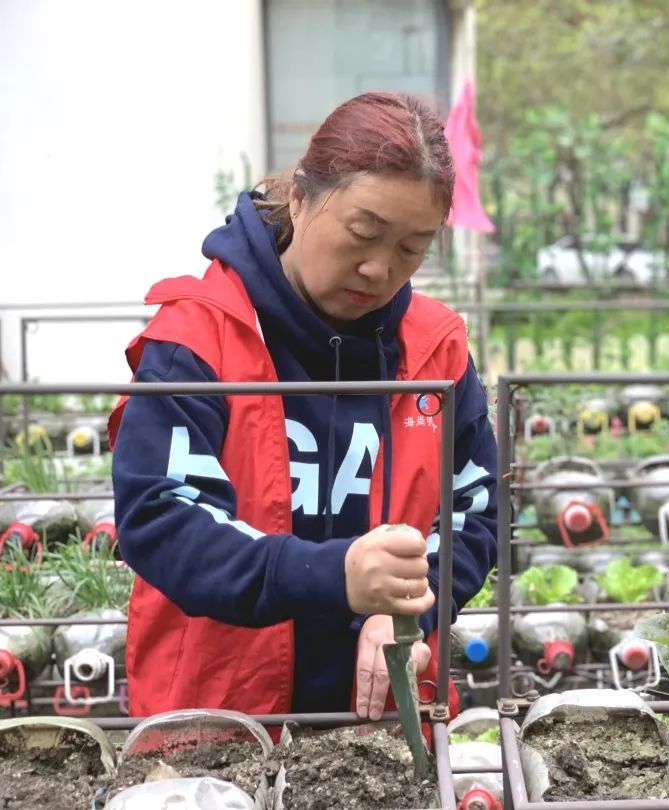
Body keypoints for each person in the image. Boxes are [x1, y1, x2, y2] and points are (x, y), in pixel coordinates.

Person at [108, 92, 497, 720]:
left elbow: (475, 511)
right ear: (300, 197)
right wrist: (335, 575)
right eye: (363, 232)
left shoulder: (436, 350)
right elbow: (164, 520)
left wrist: (409, 605)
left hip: (388, 714)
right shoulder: (199, 338)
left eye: (412, 248)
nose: (379, 269)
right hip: (222, 717)